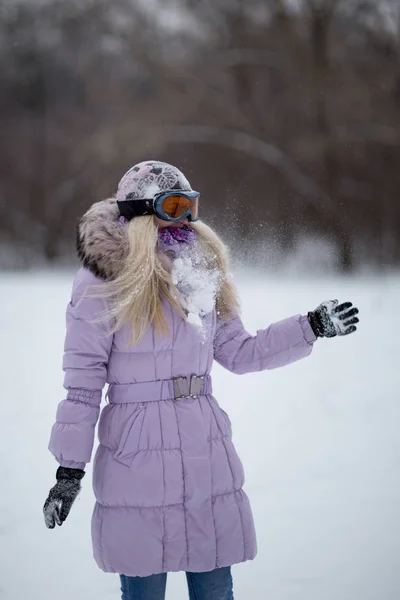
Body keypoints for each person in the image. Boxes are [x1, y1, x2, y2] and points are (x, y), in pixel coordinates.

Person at [43, 160, 360, 600]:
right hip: (138, 456)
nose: (186, 218)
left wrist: (309, 326)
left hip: (203, 449)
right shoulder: (102, 280)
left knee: (215, 589)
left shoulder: (199, 269)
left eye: (191, 205)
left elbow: (240, 351)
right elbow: (82, 384)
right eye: (173, 206)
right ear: (142, 212)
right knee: (144, 588)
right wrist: (68, 469)